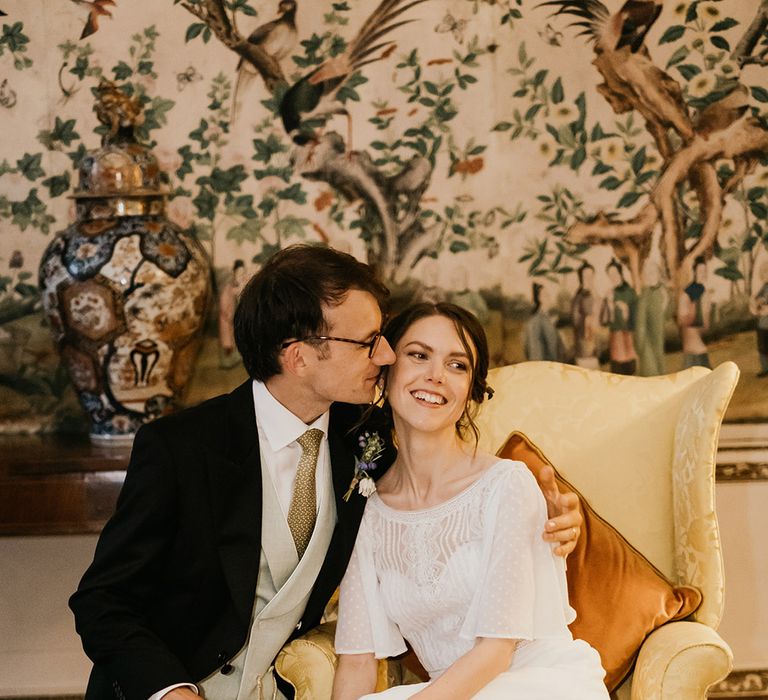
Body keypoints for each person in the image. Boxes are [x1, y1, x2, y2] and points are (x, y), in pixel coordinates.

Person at [69, 245, 583, 700]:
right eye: (368, 342)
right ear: (298, 358)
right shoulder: (181, 448)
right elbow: (102, 600)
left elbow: (458, 480)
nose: (385, 355)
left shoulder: (366, 437)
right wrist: (172, 692)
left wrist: (560, 505)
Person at [332, 303, 608, 700]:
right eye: (419, 355)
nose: (436, 376)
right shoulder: (370, 512)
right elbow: (357, 661)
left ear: (471, 392)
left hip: (535, 684)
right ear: (386, 372)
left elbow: (495, 651)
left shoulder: (506, 485)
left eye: (457, 365)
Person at [600, 259, 638, 375]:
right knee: (617, 373)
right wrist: (610, 306)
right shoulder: (609, 293)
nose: (613, 277)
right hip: (615, 338)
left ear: (620, 273)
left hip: (629, 338)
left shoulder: (630, 292)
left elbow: (635, 320)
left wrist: (626, 310)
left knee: (630, 371)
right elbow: (604, 321)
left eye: (615, 273)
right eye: (610, 275)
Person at [677, 257, 713, 369]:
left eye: (704, 271)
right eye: (700, 271)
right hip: (691, 334)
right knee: (696, 357)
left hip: (698, 332)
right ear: (695, 272)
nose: (703, 274)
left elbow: (705, 315)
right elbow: (682, 318)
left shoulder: (702, 290)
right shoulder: (688, 293)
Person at [523, 281, 567, 362]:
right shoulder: (535, 322)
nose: (549, 297)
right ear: (539, 298)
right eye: (546, 295)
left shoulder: (548, 319)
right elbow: (535, 355)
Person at [570, 262, 600, 369]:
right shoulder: (578, 297)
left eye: (591, 276)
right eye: (585, 276)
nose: (589, 279)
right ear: (581, 278)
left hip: (595, 344)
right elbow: (575, 320)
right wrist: (587, 319)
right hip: (583, 343)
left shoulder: (594, 294)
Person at [749, 259, 768, 378]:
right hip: (762, 324)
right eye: (764, 274)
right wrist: (757, 302)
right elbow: (757, 298)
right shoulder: (764, 287)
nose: (765, 276)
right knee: (762, 347)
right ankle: (765, 368)